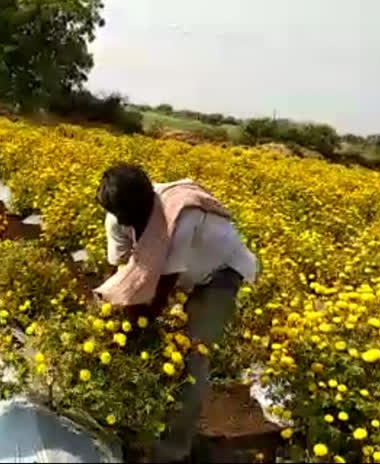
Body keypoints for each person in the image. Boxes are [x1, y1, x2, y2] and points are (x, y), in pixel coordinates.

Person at [94, 164, 259, 463]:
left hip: (220, 275)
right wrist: (114, 317)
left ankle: (172, 449)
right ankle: (137, 421)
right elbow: (120, 273)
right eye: (123, 219)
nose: (130, 224)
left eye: (138, 218)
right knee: (141, 339)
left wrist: (133, 331)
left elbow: (160, 292)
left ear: (150, 202)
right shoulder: (117, 217)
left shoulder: (181, 215)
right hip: (185, 272)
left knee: (193, 357)